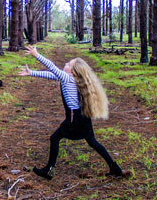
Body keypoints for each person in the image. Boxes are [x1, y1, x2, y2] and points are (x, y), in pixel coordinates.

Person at [18, 45, 125, 179]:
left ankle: (49, 170)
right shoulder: (69, 79)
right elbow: (52, 74)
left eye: (69, 64)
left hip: (75, 120)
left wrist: (37, 55)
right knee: (92, 142)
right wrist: (32, 72)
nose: (65, 64)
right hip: (83, 118)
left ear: (73, 72)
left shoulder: (67, 79)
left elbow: (52, 68)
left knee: (55, 138)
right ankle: (115, 168)